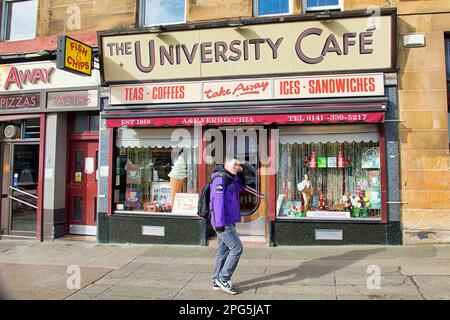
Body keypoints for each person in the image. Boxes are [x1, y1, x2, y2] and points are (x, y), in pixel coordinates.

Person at [210, 157, 245, 295]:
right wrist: (219, 225)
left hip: (228, 221)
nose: (237, 166)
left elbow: (241, 187)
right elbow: (217, 203)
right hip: (223, 223)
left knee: (223, 251)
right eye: (234, 164)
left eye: (239, 164)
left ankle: (216, 280)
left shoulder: (230, 178)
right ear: (226, 165)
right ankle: (224, 278)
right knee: (237, 248)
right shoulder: (220, 179)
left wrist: (241, 173)